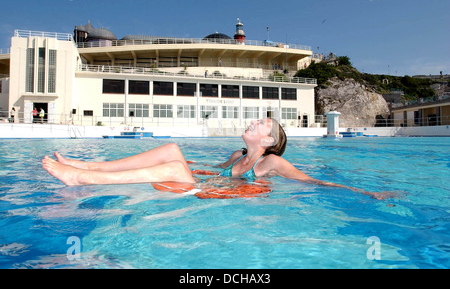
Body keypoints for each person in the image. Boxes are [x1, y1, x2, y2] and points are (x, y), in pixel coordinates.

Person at [42, 118, 396, 200]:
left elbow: (313, 182)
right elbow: (215, 173)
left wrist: (368, 194)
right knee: (172, 151)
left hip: (216, 202)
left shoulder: (270, 163)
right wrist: (195, 169)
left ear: (269, 140)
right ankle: (86, 166)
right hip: (208, 187)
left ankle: (81, 178)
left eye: (261, 123)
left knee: (174, 166)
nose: (254, 122)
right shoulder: (237, 155)